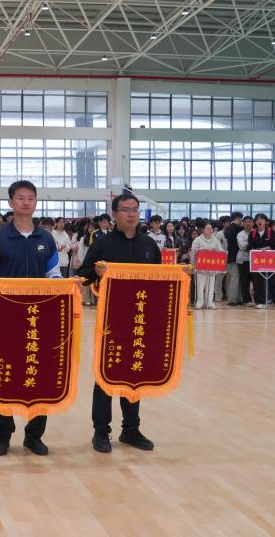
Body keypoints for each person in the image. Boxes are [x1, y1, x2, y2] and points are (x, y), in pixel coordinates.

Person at [0, 181, 65, 457]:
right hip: (7, 318)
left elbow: (54, 275)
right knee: (4, 373)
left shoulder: (46, 239)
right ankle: (3, 434)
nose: (26, 202)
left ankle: (34, 435)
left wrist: (65, 286)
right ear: (10, 203)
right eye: (20, 198)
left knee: (40, 374)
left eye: (31, 198)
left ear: (36, 202)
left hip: (41, 320)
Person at [77, 194, 158, 454]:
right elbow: (82, 276)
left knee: (134, 373)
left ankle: (131, 429)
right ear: (114, 214)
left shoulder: (149, 244)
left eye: (135, 209)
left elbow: (159, 279)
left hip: (139, 319)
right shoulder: (103, 244)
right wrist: (95, 272)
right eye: (125, 210)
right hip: (110, 321)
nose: (131, 214)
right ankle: (101, 431)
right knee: (106, 374)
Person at [247, 214, 275, 311]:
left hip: (269, 260)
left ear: (266, 222)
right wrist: (255, 250)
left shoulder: (271, 232)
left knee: (273, 281)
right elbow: (250, 247)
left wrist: (266, 248)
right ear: (255, 222)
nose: (259, 221)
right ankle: (260, 302)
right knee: (257, 281)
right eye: (257, 219)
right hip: (257, 260)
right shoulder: (252, 234)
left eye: (262, 219)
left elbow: (274, 245)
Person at [190, 222, 225, 309]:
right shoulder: (198, 239)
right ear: (203, 230)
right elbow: (193, 251)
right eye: (208, 228)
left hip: (211, 267)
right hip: (200, 267)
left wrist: (216, 251)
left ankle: (210, 303)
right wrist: (203, 250)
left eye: (211, 229)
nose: (210, 230)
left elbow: (221, 251)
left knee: (210, 286)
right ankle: (199, 303)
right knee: (200, 286)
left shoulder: (215, 240)